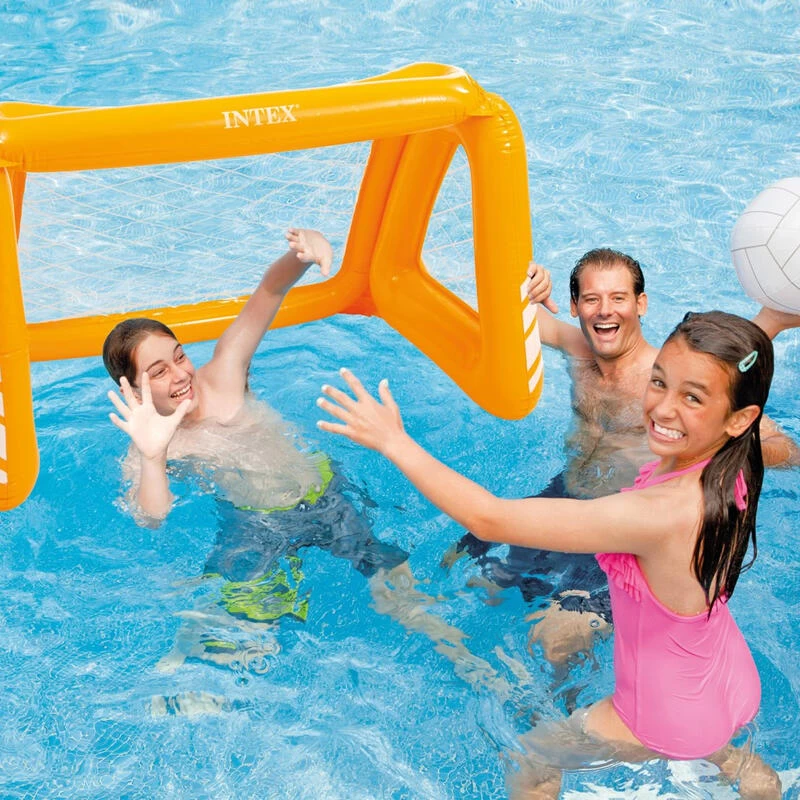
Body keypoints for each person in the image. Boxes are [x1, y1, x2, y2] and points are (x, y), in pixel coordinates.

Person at [316, 310, 783, 799]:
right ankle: (748, 770)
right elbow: (735, 380)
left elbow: (489, 519)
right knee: (707, 731)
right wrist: (771, 318)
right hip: (724, 676)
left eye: (692, 398)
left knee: (533, 755)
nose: (662, 409)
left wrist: (393, 441)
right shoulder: (733, 463)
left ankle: (722, 753)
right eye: (659, 381)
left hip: (667, 713)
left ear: (740, 418)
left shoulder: (660, 514)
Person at [445, 249, 798, 679]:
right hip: (565, 496)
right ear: (574, 307)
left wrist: (724, 442)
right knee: (460, 575)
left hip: (622, 528)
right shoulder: (579, 351)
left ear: (641, 304)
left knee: (554, 642)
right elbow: (499, 316)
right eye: (591, 299)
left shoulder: (665, 380)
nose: (605, 310)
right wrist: (524, 284)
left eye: (618, 298)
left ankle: (562, 712)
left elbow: (781, 447)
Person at [103, 228, 408, 661]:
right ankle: (189, 648)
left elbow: (269, 292)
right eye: (158, 372)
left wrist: (303, 255)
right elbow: (151, 517)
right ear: (132, 390)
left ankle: (455, 650)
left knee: (399, 594)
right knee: (248, 638)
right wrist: (153, 457)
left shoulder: (225, 372)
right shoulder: (150, 446)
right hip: (256, 525)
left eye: (179, 356)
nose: (181, 374)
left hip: (324, 492)